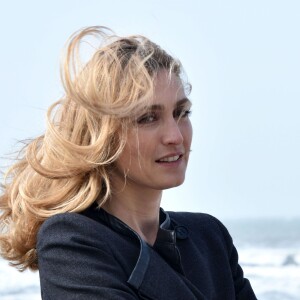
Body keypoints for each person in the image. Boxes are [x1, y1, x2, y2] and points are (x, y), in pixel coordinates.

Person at [0, 26, 257, 299]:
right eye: (147, 118)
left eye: (181, 112)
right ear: (103, 135)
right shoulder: (72, 241)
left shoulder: (210, 238)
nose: (175, 135)